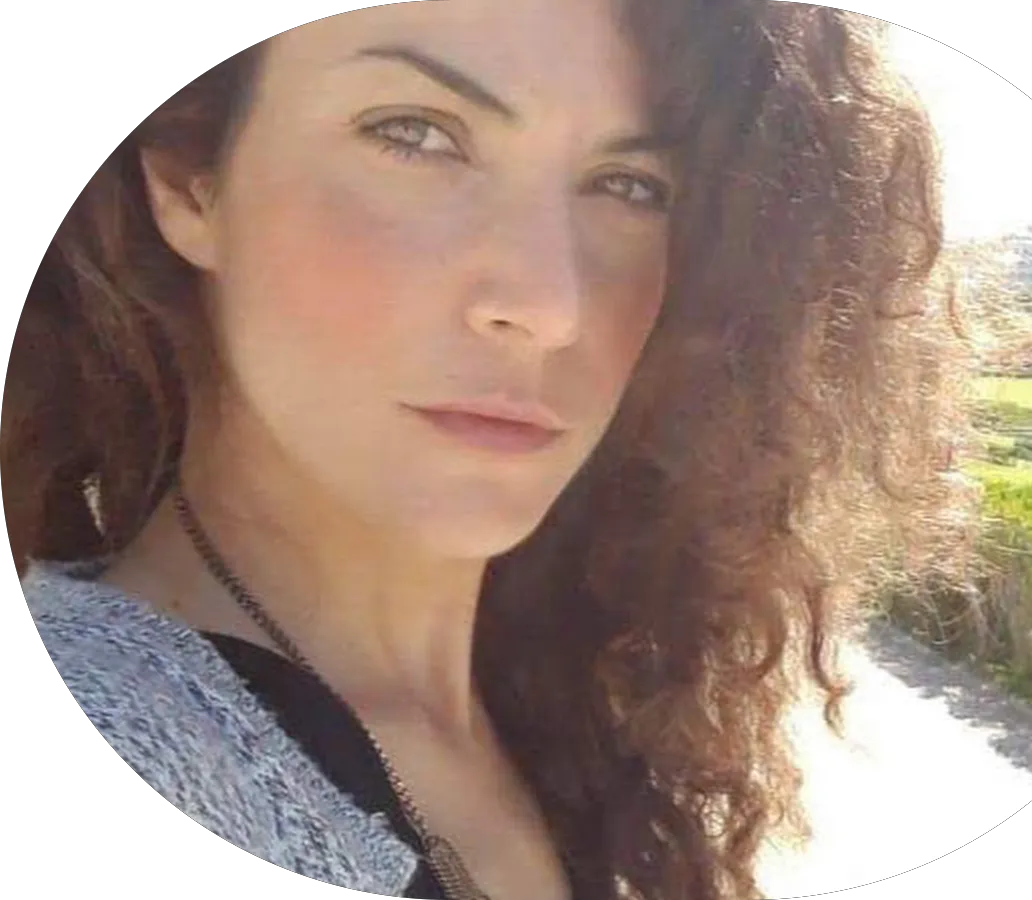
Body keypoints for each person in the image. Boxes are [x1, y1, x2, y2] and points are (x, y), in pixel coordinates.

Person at [5, 2, 974, 898]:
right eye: (415, 133)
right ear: (191, 180)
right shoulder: (126, 719)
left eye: (631, 185)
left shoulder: (583, 713)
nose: (550, 305)